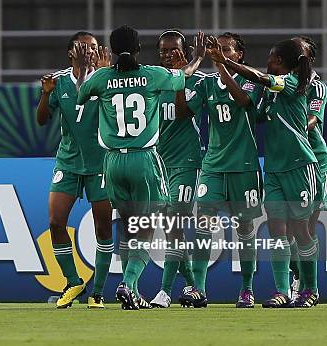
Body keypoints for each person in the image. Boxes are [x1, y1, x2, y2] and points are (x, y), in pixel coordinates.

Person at [75, 25, 205, 310]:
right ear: (139, 49)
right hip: (143, 158)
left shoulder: (102, 77)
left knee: (129, 227)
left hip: (112, 162)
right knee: (147, 229)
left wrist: (86, 68)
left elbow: (80, 94)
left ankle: (141, 287)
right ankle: (129, 284)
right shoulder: (151, 74)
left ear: (110, 49)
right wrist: (196, 57)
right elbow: (184, 76)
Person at [208, 38, 318, 308]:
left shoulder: (291, 83)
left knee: (301, 231)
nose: (267, 63)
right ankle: (283, 291)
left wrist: (225, 62)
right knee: (278, 231)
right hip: (274, 169)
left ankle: (311, 289)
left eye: (270, 58)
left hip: (300, 166)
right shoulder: (270, 92)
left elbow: (259, 77)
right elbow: (252, 110)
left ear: (279, 62)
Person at [175, 33, 264, 308]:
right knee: (203, 225)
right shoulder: (207, 84)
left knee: (245, 228)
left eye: (227, 50)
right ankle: (198, 289)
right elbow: (182, 112)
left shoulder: (251, 80)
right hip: (213, 165)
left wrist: (222, 64)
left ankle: (247, 288)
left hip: (244, 166)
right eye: (218, 50)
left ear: (239, 56)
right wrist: (180, 80)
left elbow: (242, 102)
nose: (221, 53)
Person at [36, 31, 113, 309]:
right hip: (68, 162)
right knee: (56, 222)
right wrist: (45, 95)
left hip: (101, 162)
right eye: (83, 47)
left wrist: (106, 78)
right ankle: (73, 281)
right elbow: (42, 120)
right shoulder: (57, 81)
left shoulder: (107, 77)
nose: (89, 51)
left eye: (93, 47)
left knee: (103, 227)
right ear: (71, 52)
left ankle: (99, 292)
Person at [149, 29, 205, 309]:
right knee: (172, 231)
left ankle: (165, 292)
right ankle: (195, 286)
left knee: (173, 224)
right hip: (160, 163)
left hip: (186, 161)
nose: (168, 55)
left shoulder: (197, 80)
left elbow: (183, 113)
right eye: (163, 51)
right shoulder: (153, 81)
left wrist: (182, 77)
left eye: (174, 50)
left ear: (185, 51)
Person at [285, 36, 327, 307]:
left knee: (304, 229)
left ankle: (309, 288)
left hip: (314, 161)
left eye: (298, 53)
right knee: (286, 230)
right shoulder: (284, 82)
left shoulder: (316, 87)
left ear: (308, 58)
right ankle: (297, 278)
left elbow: (314, 118)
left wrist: (296, 124)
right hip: (287, 163)